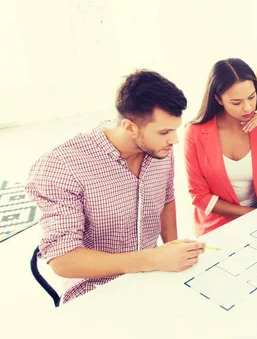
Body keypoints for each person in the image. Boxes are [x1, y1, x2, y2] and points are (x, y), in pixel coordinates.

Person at [25, 70, 205, 304]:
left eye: (174, 129)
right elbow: (63, 260)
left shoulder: (160, 149)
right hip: (94, 289)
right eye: (165, 132)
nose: (174, 140)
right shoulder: (61, 166)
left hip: (153, 277)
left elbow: (166, 197)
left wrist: (172, 247)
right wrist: (151, 259)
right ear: (130, 127)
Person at [185, 58, 257, 236]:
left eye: (252, 97)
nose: (248, 107)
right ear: (218, 99)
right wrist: (249, 213)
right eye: (236, 102)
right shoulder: (194, 133)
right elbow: (199, 197)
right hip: (215, 227)